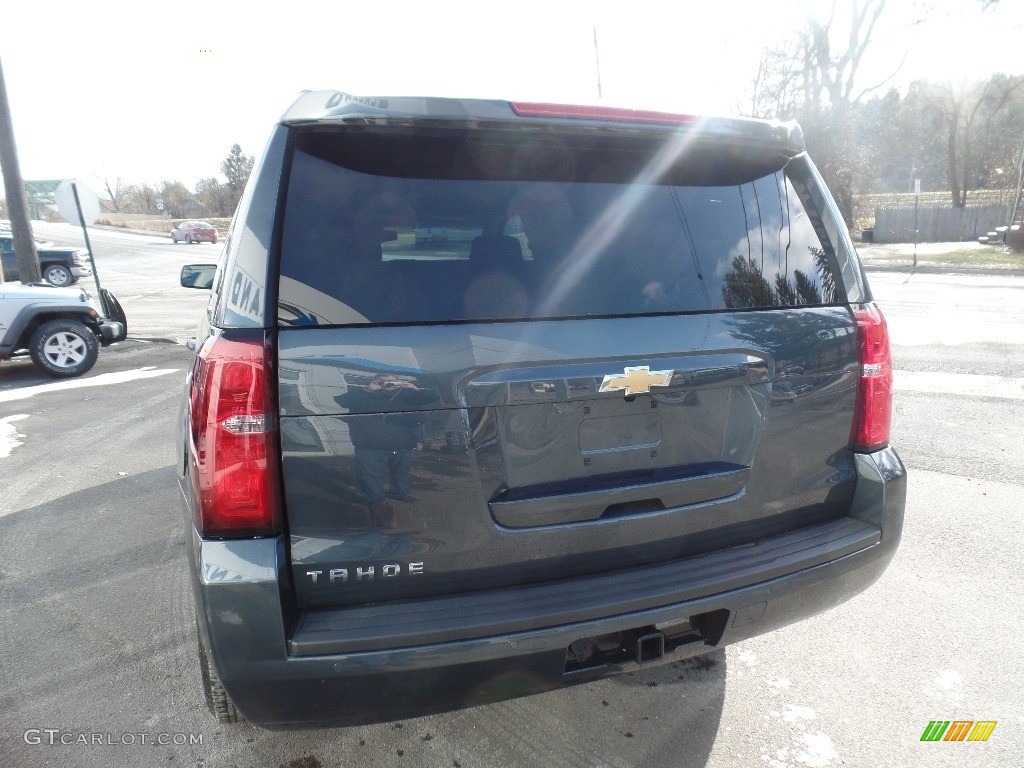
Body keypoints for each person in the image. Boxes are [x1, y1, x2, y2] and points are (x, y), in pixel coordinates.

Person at [335, 374, 434, 529]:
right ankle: (378, 502)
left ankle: (399, 492)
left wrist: (416, 389)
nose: (388, 385)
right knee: (369, 476)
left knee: (401, 472)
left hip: (403, 444)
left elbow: (432, 398)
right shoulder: (362, 395)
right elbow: (341, 401)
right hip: (370, 445)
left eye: (392, 382)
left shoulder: (407, 394)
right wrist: (369, 389)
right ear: (374, 382)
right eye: (384, 382)